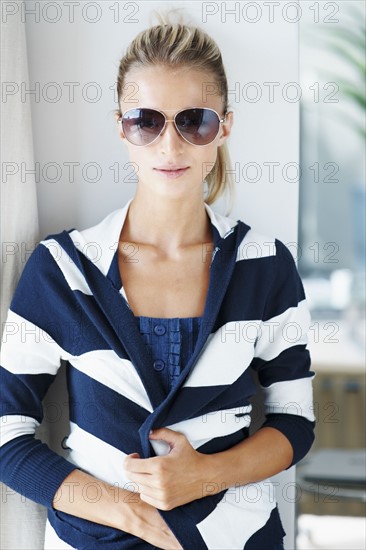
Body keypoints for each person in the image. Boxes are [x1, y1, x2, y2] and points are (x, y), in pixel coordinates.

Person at [0, 13, 315, 550]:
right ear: (120, 127)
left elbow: (295, 420)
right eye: (146, 121)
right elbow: (7, 437)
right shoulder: (61, 269)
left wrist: (205, 475)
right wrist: (135, 514)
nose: (170, 145)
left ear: (226, 126)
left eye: (195, 121)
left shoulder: (266, 264)